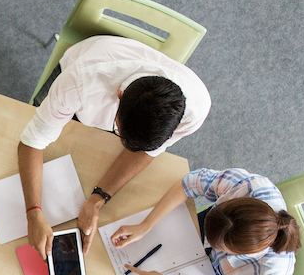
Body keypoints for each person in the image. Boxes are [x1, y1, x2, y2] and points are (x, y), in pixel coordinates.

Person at [18, 35, 211, 258]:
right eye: (118, 131)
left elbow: (147, 152)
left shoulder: (195, 110)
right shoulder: (78, 81)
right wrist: (33, 213)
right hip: (82, 67)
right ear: (118, 96)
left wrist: (97, 199)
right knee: (29, 114)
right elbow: (32, 141)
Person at [111, 168, 300, 275]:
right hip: (212, 237)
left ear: (241, 254)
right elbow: (190, 183)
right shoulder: (248, 186)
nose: (207, 243)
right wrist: (146, 224)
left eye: (217, 246)